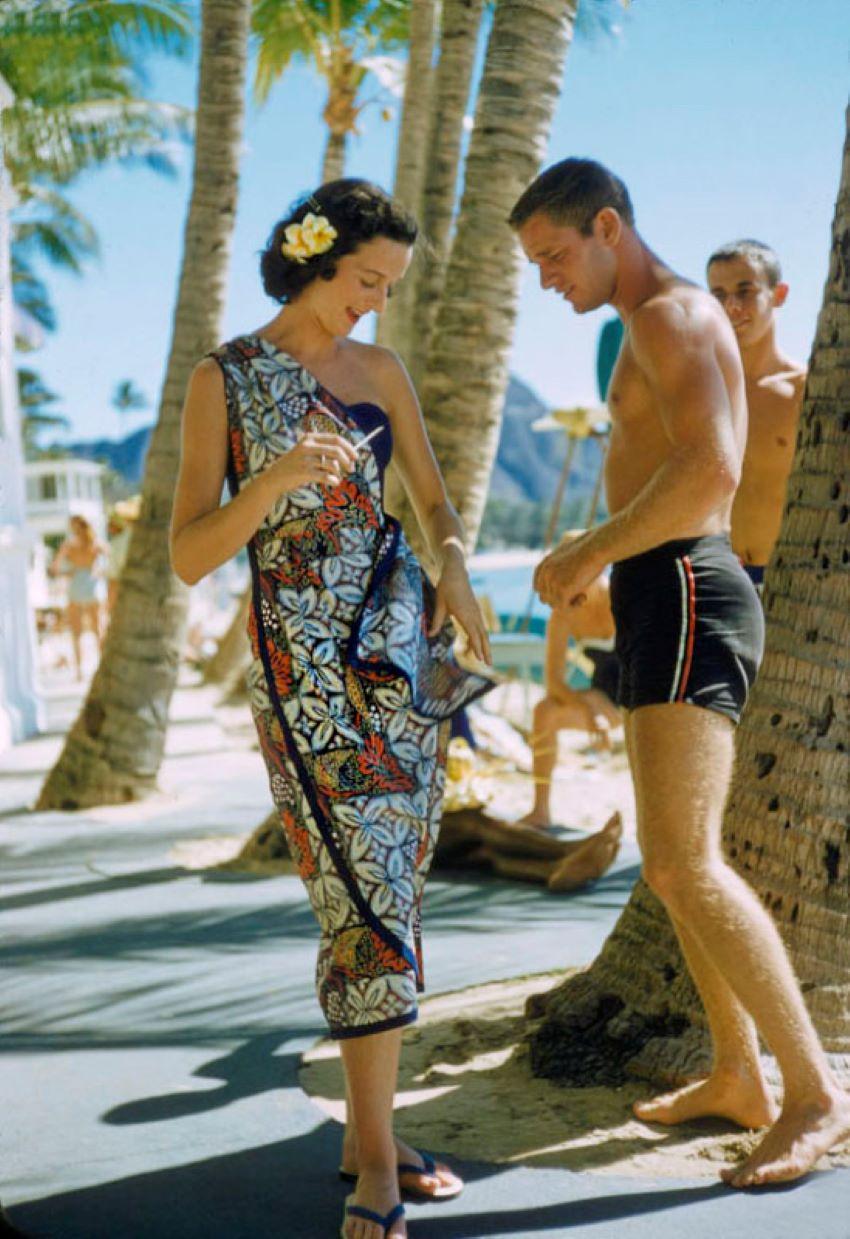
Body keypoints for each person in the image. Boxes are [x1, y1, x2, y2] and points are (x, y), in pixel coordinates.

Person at [510, 158, 850, 1189]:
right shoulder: (647, 321)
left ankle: (815, 1095)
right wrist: (611, 565)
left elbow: (709, 472)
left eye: (554, 256)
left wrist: (582, 552)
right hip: (664, 591)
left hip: (692, 587)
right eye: (532, 265)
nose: (546, 280)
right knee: (671, 863)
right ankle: (736, 1073)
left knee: (684, 863)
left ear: (607, 226)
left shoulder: (670, 314)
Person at [170, 179, 494, 1239]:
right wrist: (267, 486)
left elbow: (433, 502)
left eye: (389, 285)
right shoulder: (225, 379)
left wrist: (453, 564)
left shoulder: (383, 371)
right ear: (313, 258)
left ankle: (371, 1139)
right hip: (301, 674)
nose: (374, 303)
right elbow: (186, 555)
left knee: (393, 887)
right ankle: (375, 1168)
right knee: (353, 897)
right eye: (365, 280)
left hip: (400, 659)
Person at [706, 240, 805, 593]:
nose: (731, 306)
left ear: (779, 294)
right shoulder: (701, 388)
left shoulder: (804, 390)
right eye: (718, 294)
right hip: (715, 580)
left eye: (744, 291)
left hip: (791, 584)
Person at [519, 531, 621, 835]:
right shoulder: (564, 613)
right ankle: (540, 811)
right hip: (603, 697)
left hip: (645, 690)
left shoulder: (622, 596)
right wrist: (592, 712)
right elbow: (554, 682)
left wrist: (597, 710)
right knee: (544, 712)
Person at [48, 514, 106, 680]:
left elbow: (54, 568)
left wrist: (69, 572)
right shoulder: (96, 543)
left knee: (77, 631)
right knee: (98, 629)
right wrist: (97, 571)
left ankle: (79, 672)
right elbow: (108, 562)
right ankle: (101, 669)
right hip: (93, 585)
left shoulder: (69, 545)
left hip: (76, 585)